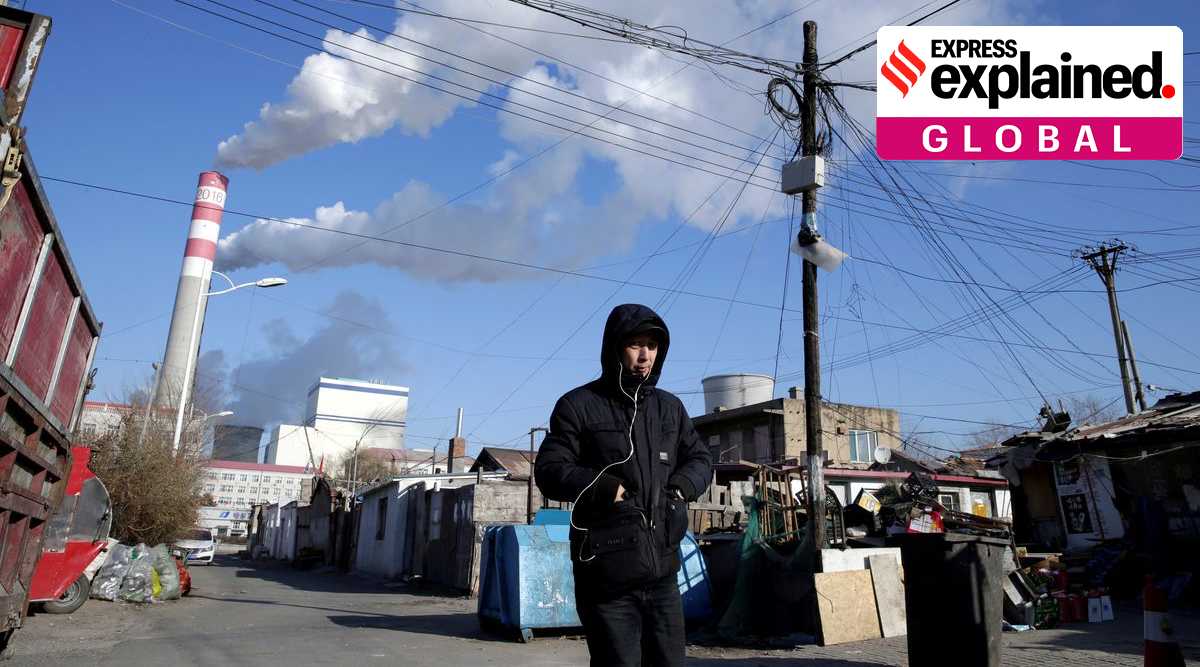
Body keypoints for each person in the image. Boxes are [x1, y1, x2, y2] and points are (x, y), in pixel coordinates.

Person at [535, 303, 712, 667]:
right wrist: (603, 486)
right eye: (635, 344)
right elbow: (550, 471)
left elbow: (701, 459)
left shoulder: (670, 409)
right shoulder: (579, 405)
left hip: (662, 572)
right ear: (615, 348)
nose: (645, 355)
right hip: (607, 577)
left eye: (653, 345)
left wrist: (680, 487)